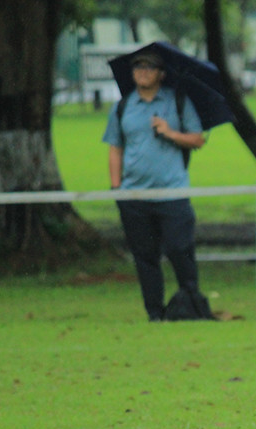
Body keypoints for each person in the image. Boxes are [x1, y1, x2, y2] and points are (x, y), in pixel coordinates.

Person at [102, 50, 208, 322]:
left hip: (172, 192)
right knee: (144, 256)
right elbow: (115, 148)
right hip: (134, 193)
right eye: (138, 68)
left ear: (161, 74)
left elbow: (198, 139)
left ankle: (190, 304)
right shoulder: (123, 107)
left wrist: (170, 132)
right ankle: (154, 312)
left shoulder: (178, 102)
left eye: (149, 68)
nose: (143, 72)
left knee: (179, 249)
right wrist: (117, 189)